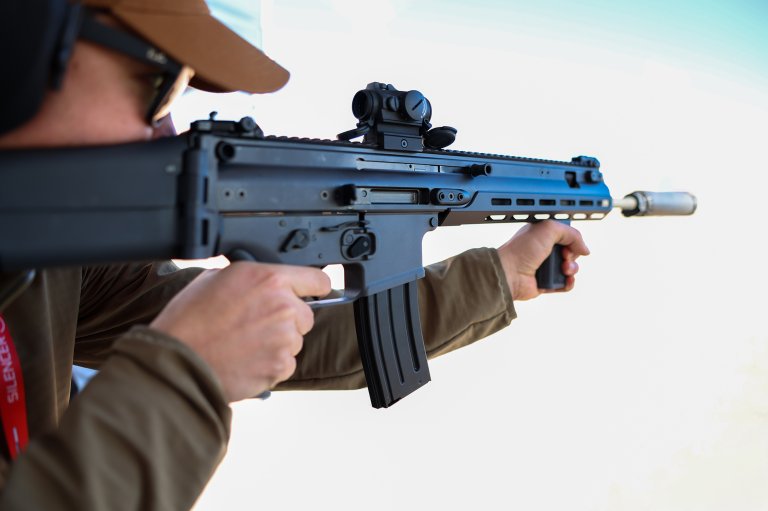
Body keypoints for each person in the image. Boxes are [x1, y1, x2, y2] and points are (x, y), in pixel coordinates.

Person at [0, 0, 590, 509]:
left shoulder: (49, 265)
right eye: (160, 87)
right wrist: (183, 375)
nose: (169, 131)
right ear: (19, 46)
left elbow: (277, 329)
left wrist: (497, 278)